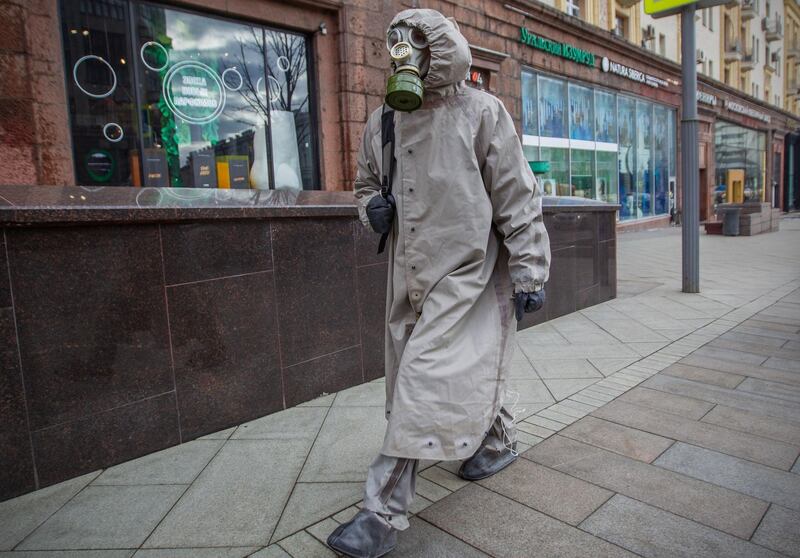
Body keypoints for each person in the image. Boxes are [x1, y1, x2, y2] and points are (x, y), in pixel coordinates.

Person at [327, 9, 551, 558]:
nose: (405, 56)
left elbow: (517, 198)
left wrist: (529, 269)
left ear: (442, 50)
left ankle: (382, 513)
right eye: (397, 46)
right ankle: (497, 441)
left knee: (421, 384)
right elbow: (364, 185)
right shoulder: (384, 121)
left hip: (470, 273)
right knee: (427, 372)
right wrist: (370, 210)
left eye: (417, 45)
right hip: (408, 276)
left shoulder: (481, 112)